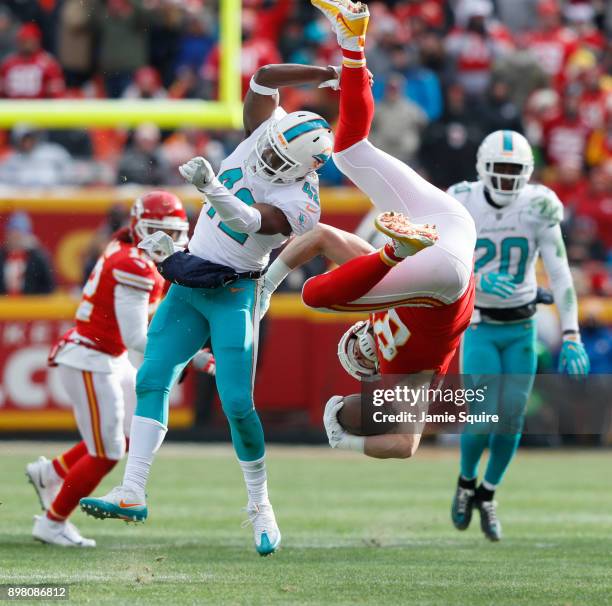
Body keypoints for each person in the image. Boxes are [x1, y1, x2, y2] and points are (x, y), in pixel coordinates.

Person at [80, 61, 337, 557]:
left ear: (310, 168)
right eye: (270, 147)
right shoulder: (268, 133)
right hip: (191, 279)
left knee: (237, 404)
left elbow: (248, 218)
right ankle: (133, 489)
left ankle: (261, 504)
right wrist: (322, 71)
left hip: (235, 292)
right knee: (152, 378)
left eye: (281, 160)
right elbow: (264, 76)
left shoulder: (304, 201)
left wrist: (211, 186)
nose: (267, 159)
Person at [261, 0, 475, 460]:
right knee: (314, 296)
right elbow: (404, 444)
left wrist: (264, 284)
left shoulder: (388, 335)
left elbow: (320, 237)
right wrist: (342, 432)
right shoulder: (403, 373)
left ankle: (353, 45)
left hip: (451, 236)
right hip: (443, 259)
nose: (365, 342)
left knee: (348, 150)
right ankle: (397, 249)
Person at [446, 130, 590, 541]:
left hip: (522, 325)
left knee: (511, 419)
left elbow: (560, 272)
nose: (507, 179)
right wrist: (481, 277)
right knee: (481, 417)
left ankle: (488, 494)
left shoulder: (538, 205)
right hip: (480, 323)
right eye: (500, 170)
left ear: (527, 173)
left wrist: (572, 333)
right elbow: (440, 258)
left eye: (515, 171)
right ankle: (466, 481)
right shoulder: (461, 199)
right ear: (483, 169)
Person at [26, 192, 189, 547]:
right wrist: (185, 354)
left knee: (133, 429)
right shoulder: (134, 265)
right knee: (108, 451)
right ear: (139, 228)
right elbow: (135, 336)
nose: (167, 241)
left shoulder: (128, 248)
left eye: (173, 233)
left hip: (106, 356)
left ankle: (51, 473)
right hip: (91, 358)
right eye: (158, 232)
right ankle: (52, 522)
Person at [0, 22, 64, 99]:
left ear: (37, 41)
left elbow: (57, 93)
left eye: (29, 40)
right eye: (23, 41)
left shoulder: (47, 63)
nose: (26, 44)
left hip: (38, 108)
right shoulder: (8, 63)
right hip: (12, 108)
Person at [0, 211, 54, 295]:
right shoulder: (2, 256)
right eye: (12, 234)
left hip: (30, 306)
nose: (14, 238)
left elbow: (49, 287)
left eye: (18, 235)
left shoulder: (38, 258)